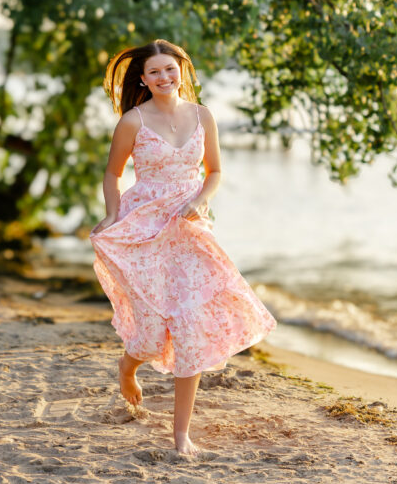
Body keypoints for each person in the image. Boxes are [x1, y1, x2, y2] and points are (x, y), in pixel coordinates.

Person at [90, 38, 277, 457]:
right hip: (147, 227)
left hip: (190, 228)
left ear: (182, 73)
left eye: (170, 70)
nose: (164, 77)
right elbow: (112, 173)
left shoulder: (203, 116)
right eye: (154, 71)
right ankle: (128, 365)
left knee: (190, 329)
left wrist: (200, 200)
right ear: (143, 78)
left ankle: (181, 435)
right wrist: (112, 214)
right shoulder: (132, 122)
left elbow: (214, 171)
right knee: (154, 332)